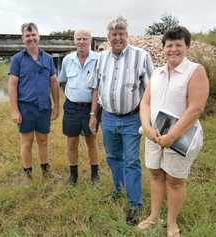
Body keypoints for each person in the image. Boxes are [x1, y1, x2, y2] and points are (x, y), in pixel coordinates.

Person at [138, 26, 209, 237]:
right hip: (155, 134)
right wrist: (148, 129)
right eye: (169, 45)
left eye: (179, 44)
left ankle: (171, 224)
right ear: (163, 48)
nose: (173, 49)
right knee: (156, 174)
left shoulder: (195, 71)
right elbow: (145, 102)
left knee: (175, 180)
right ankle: (153, 217)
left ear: (187, 46)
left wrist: (172, 136)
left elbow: (196, 108)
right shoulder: (158, 72)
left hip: (180, 135)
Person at [88, 16, 154, 225]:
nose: (117, 38)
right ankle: (119, 189)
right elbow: (96, 87)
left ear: (127, 35)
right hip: (107, 118)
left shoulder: (141, 56)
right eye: (114, 34)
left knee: (131, 161)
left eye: (121, 34)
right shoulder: (101, 58)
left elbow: (151, 91)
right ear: (108, 37)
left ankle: (135, 204)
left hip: (132, 119)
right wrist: (93, 115)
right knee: (113, 157)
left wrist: (147, 120)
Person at [8, 22, 60, 186]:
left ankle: (46, 171)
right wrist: (14, 110)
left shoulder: (48, 58)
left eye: (33, 35)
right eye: (27, 36)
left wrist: (57, 106)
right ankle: (27, 174)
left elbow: (53, 82)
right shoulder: (17, 59)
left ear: (38, 36)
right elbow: (12, 84)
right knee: (27, 142)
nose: (31, 38)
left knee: (43, 140)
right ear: (23, 39)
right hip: (26, 108)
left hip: (44, 107)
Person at [59, 30, 99, 186]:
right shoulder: (67, 60)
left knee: (91, 141)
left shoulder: (99, 59)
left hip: (91, 107)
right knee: (71, 142)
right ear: (74, 41)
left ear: (90, 40)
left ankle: (95, 174)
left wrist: (94, 113)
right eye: (78, 39)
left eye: (85, 38)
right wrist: (71, 95)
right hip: (72, 107)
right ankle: (73, 175)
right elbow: (62, 81)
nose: (81, 41)